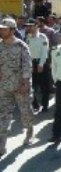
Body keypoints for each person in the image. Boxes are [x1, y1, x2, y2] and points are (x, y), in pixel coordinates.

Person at [0, 18, 34, 157]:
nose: (1, 31)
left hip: (20, 87)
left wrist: (25, 84)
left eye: (4, 29)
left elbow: (27, 66)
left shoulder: (21, 46)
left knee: (25, 113)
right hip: (4, 87)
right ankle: (1, 145)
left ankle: (29, 130)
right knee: (3, 116)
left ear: (12, 30)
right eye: (1, 29)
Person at [25, 18, 50, 112]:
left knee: (44, 86)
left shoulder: (43, 37)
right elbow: (27, 52)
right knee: (30, 86)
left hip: (41, 63)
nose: (29, 28)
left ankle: (45, 105)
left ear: (36, 26)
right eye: (28, 26)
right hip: (31, 63)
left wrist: (41, 64)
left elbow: (45, 51)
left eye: (31, 26)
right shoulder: (28, 37)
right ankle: (35, 104)